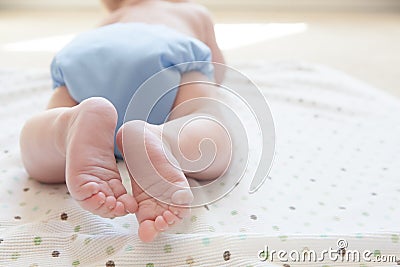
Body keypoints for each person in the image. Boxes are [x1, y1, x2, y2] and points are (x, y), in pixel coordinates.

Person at [19, 0, 230, 243]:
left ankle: (66, 127)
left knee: (50, 123)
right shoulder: (193, 12)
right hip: (170, 51)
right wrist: (209, 88)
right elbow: (218, 68)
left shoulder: (116, 17)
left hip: (87, 55)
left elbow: (99, 40)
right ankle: (166, 140)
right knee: (202, 117)